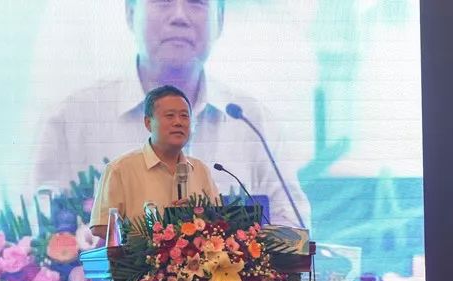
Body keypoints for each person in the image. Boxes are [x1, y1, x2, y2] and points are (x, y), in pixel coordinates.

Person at [32, 0, 311, 228]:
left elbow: (293, 227)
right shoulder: (73, 119)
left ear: (220, 19)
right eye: (163, 1)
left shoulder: (251, 122)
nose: (179, 15)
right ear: (130, 13)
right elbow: (35, 238)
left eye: (196, 2)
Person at [89, 85, 219, 238]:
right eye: (170, 116)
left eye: (184, 116)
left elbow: (219, 222)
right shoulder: (120, 169)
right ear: (148, 123)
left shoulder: (200, 170)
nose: (178, 122)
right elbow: (101, 226)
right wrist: (148, 243)